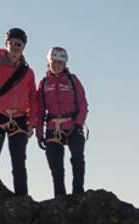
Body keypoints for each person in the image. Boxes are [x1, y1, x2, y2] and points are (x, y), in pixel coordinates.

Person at [0, 28, 40, 196]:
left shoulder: (28, 72)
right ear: (7, 44)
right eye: (13, 43)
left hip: (19, 120)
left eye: (20, 44)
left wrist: (32, 123)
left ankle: (22, 201)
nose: (16, 47)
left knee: (19, 162)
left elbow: (33, 98)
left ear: (24, 47)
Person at [37, 46, 89, 197]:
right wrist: (39, 133)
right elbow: (40, 110)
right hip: (53, 127)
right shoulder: (44, 83)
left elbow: (83, 104)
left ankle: (78, 193)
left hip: (73, 125)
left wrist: (79, 124)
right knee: (56, 166)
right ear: (49, 62)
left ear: (65, 64)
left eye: (60, 62)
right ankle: (60, 197)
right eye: (54, 62)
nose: (57, 65)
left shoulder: (72, 80)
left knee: (77, 158)